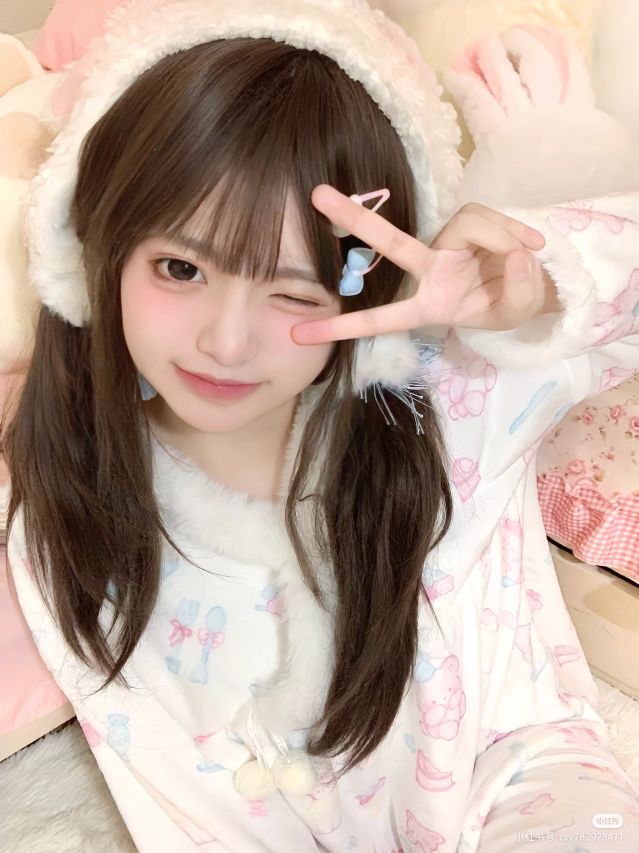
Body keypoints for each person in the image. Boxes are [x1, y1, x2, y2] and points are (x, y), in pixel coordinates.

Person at [2, 0, 639, 850]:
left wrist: (549, 280)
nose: (227, 341)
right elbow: (183, 797)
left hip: (526, 785)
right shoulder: (72, 504)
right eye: (180, 267)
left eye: (293, 289)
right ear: (94, 256)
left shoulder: (456, 390)